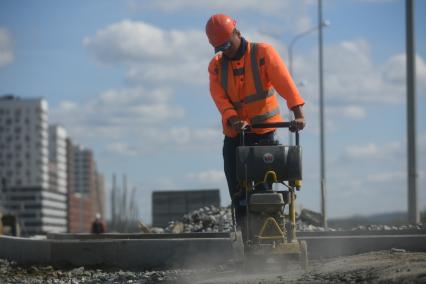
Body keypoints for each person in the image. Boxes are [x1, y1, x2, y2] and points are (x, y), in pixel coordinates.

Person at [205, 14, 306, 229]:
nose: (226, 51)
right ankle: (244, 232)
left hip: (264, 135)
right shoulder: (216, 66)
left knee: (264, 187)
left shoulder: (263, 53)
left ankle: (269, 228)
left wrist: (297, 113)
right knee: (237, 189)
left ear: (237, 33)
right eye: (221, 48)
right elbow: (220, 98)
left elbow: (284, 82)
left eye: (228, 45)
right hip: (235, 136)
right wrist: (233, 120)